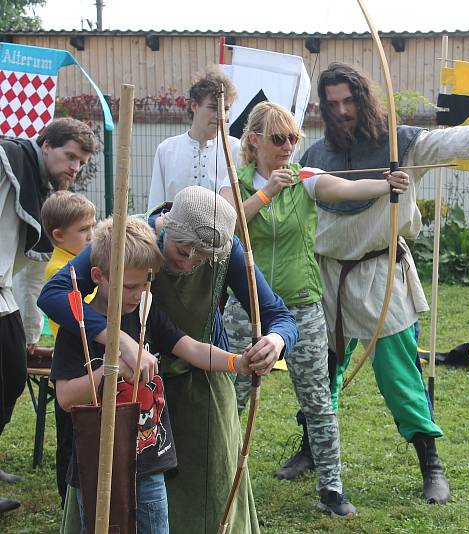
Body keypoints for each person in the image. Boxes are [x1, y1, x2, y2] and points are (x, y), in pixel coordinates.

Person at [288, 62, 469, 504]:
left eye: (349, 101)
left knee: (400, 373)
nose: (342, 111)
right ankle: (311, 447)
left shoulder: (401, 145)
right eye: (332, 104)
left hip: (380, 276)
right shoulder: (314, 156)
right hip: (327, 276)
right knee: (321, 372)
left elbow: (453, 141)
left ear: (364, 98)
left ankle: (431, 464)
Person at [39, 186, 298, 533]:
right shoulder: (131, 242)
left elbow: (278, 316)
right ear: (165, 226)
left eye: (202, 257)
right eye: (181, 250)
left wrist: (275, 341)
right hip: (124, 390)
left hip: (201, 384)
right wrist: (119, 343)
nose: (189, 261)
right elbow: (55, 292)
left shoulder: (226, 248)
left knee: (211, 492)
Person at [225, 101, 410, 517]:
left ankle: (331, 488)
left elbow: (344, 188)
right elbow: (229, 224)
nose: (289, 146)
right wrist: (267, 190)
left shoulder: (305, 180)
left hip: (301, 308)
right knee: (232, 399)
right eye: (278, 138)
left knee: (318, 400)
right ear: (253, 142)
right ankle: (223, 478)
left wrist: (385, 184)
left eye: (294, 138)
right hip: (245, 307)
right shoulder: (233, 182)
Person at [0, 118, 96, 516]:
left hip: (4, 296)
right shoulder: (9, 160)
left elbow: (33, 270)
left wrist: (29, 332)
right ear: (45, 144)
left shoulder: (39, 189)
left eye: (81, 161)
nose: (74, 167)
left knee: (10, 381)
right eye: (69, 155)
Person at [39, 190, 97, 506]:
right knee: (70, 439)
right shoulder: (60, 271)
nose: (92, 235)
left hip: (88, 357)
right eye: (83, 230)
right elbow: (85, 312)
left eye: (93, 226)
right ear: (59, 236)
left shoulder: (78, 261)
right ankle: (68, 498)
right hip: (72, 361)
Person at [147, 65, 240, 209]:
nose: (221, 115)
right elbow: (154, 209)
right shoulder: (167, 150)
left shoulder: (235, 149)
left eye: (226, 109)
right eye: (213, 108)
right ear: (194, 106)